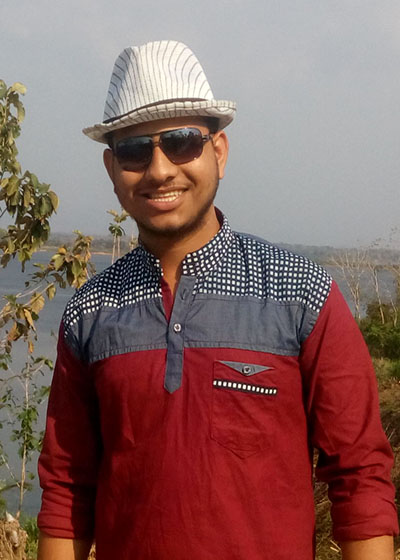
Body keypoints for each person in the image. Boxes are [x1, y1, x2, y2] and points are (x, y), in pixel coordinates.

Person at [37, 40, 398, 560]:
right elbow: (68, 489)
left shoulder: (301, 293)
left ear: (219, 152)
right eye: (135, 151)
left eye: (181, 142)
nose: (160, 170)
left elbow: (359, 475)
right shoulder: (90, 312)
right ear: (112, 169)